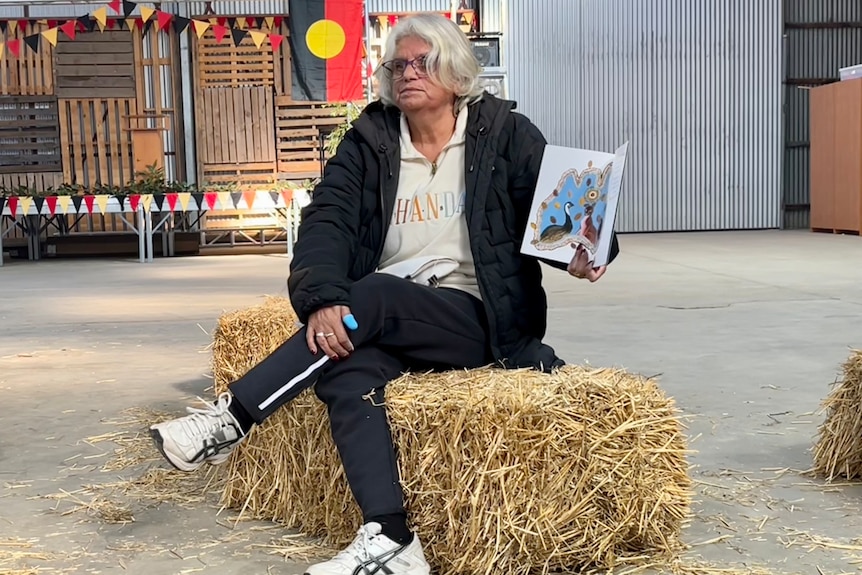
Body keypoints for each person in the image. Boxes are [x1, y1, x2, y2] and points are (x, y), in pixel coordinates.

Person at [149, 13, 619, 575]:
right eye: (399, 65)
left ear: (456, 71)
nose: (407, 74)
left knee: (374, 293)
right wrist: (323, 298)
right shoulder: (371, 140)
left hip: (480, 317)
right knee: (350, 376)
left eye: (422, 63)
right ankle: (392, 538)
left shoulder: (507, 134)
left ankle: (232, 421)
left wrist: (592, 248)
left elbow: (562, 214)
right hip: (391, 318)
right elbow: (327, 223)